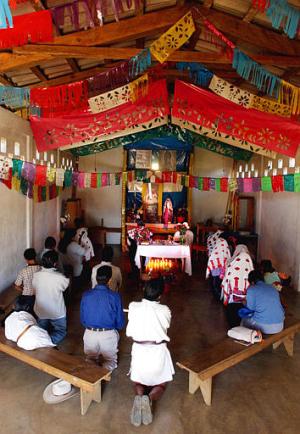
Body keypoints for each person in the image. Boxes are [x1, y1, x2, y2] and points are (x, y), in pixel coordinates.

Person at [126, 278, 174, 427]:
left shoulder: (133, 306)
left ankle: (140, 396)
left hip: (139, 351)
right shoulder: (165, 310)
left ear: (143, 290)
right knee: (161, 384)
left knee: (138, 381)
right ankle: (150, 398)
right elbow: (166, 325)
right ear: (160, 296)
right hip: (157, 351)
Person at [80, 266, 125, 371]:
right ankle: (101, 372)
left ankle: (92, 372)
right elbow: (120, 323)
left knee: (90, 358)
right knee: (110, 361)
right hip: (108, 334)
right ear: (109, 280)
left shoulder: (86, 295)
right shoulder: (115, 296)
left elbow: (83, 319)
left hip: (89, 334)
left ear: (96, 278)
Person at [32, 251, 70, 345]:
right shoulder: (60, 277)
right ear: (55, 263)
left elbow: (34, 290)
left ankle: (41, 341)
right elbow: (65, 287)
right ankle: (48, 342)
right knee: (61, 331)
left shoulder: (36, 275)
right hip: (57, 311)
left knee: (41, 331)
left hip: (41, 311)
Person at [241, 270, 285, 334]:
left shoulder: (252, 289)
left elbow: (250, 309)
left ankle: (246, 339)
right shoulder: (272, 287)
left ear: (252, 282)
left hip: (265, 327)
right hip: (280, 325)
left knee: (244, 319)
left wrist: (244, 302)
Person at [221, 245, 254, 328]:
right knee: (242, 310)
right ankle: (241, 323)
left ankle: (232, 325)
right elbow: (252, 274)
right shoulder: (248, 260)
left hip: (233, 292)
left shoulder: (233, 262)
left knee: (232, 309)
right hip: (245, 294)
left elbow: (227, 276)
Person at [14, 248, 41, 313]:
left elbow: (16, 286)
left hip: (27, 298)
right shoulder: (41, 269)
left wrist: (24, 289)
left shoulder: (23, 271)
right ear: (35, 256)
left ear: (26, 259)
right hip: (39, 297)